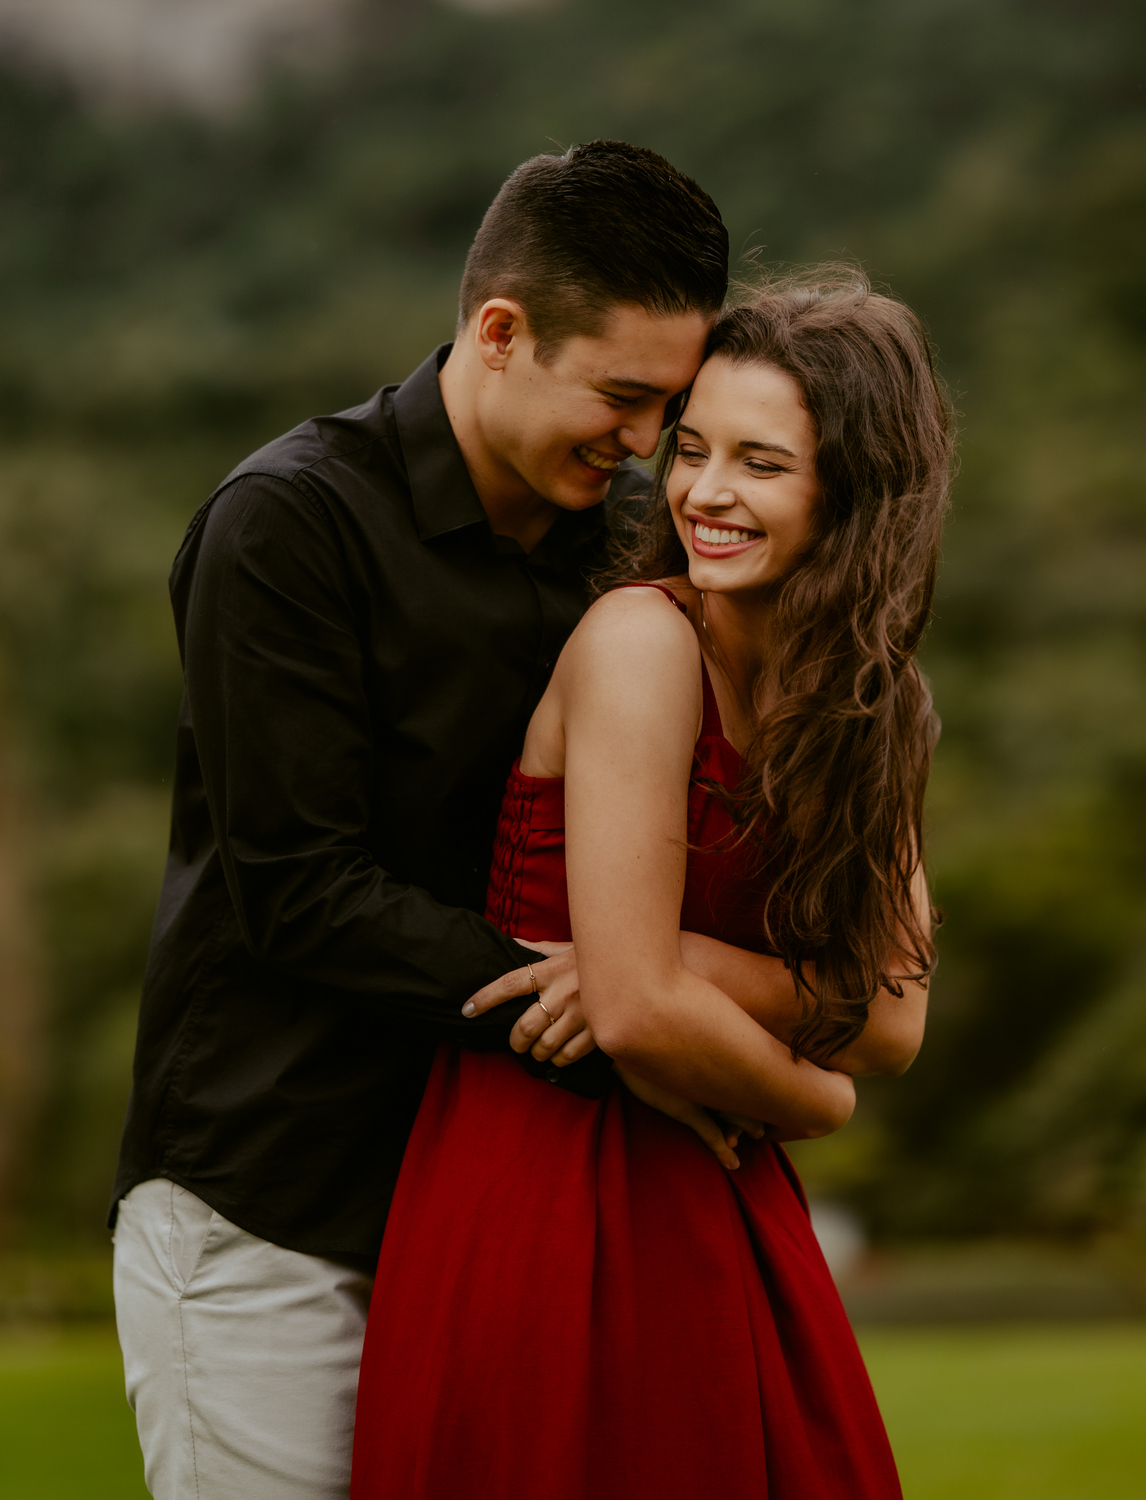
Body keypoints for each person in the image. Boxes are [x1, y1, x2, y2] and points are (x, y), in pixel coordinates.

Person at [110, 140, 748, 1500]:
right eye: (623, 398)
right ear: (500, 333)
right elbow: (300, 891)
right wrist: (610, 1010)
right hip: (272, 1212)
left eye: (671, 407)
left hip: (499, 1204)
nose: (649, 446)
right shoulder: (287, 524)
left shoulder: (628, 548)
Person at [349, 271, 951, 1500]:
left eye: (761, 463)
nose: (704, 493)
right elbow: (629, 1013)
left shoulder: (868, 701)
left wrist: (688, 971)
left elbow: (892, 1018)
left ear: (855, 492)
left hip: (719, 1168)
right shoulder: (643, 641)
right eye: (691, 449)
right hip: (553, 1167)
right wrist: (819, 1099)